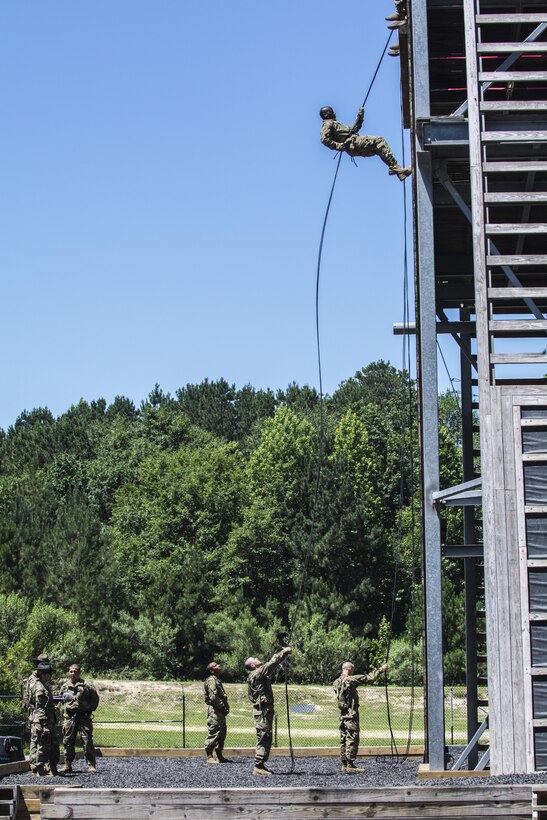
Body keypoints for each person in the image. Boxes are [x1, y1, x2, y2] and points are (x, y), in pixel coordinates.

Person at [319, 106, 411, 181]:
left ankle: (397, 170)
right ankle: (395, 168)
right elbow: (324, 139)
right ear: (327, 114)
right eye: (331, 111)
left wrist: (360, 117)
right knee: (379, 141)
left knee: (378, 149)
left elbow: (353, 130)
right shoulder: (328, 123)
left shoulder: (335, 124)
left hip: (352, 147)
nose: (334, 112)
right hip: (353, 143)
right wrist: (340, 146)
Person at [333, 660, 389, 772]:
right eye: (353, 670)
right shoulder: (351, 679)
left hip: (343, 714)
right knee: (352, 737)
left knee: (344, 737)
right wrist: (382, 669)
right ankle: (350, 764)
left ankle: (344, 763)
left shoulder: (336, 682)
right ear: (349, 669)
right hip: (351, 714)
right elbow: (370, 678)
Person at [245, 646, 292, 775]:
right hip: (263, 711)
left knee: (266, 736)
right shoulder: (257, 673)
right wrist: (284, 652)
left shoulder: (255, 675)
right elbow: (272, 663)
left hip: (264, 710)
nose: (257, 658)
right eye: (255, 659)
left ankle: (260, 765)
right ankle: (258, 765)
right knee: (264, 737)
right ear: (253, 664)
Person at [59, 664, 99, 774]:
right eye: (71, 671)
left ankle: (91, 764)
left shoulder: (86, 685)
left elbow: (95, 698)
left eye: (75, 671)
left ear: (79, 672)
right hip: (70, 717)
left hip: (84, 716)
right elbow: (60, 700)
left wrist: (90, 709)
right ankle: (67, 765)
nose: (73, 674)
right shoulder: (65, 686)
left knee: (87, 741)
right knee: (68, 741)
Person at [28, 661, 60, 777]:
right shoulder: (39, 687)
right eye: (49, 673)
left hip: (46, 720)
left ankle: (46, 768)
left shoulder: (43, 685)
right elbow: (40, 707)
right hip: (42, 722)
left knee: (48, 744)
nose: (51, 676)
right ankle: (39, 770)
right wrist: (45, 725)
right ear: (43, 674)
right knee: (42, 745)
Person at [203, 661, 231, 764]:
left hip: (220, 711)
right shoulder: (211, 680)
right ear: (212, 670)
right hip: (215, 711)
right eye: (215, 665)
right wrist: (223, 707)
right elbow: (213, 697)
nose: (219, 665)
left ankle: (219, 755)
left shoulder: (217, 680)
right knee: (214, 732)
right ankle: (209, 756)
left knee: (221, 733)